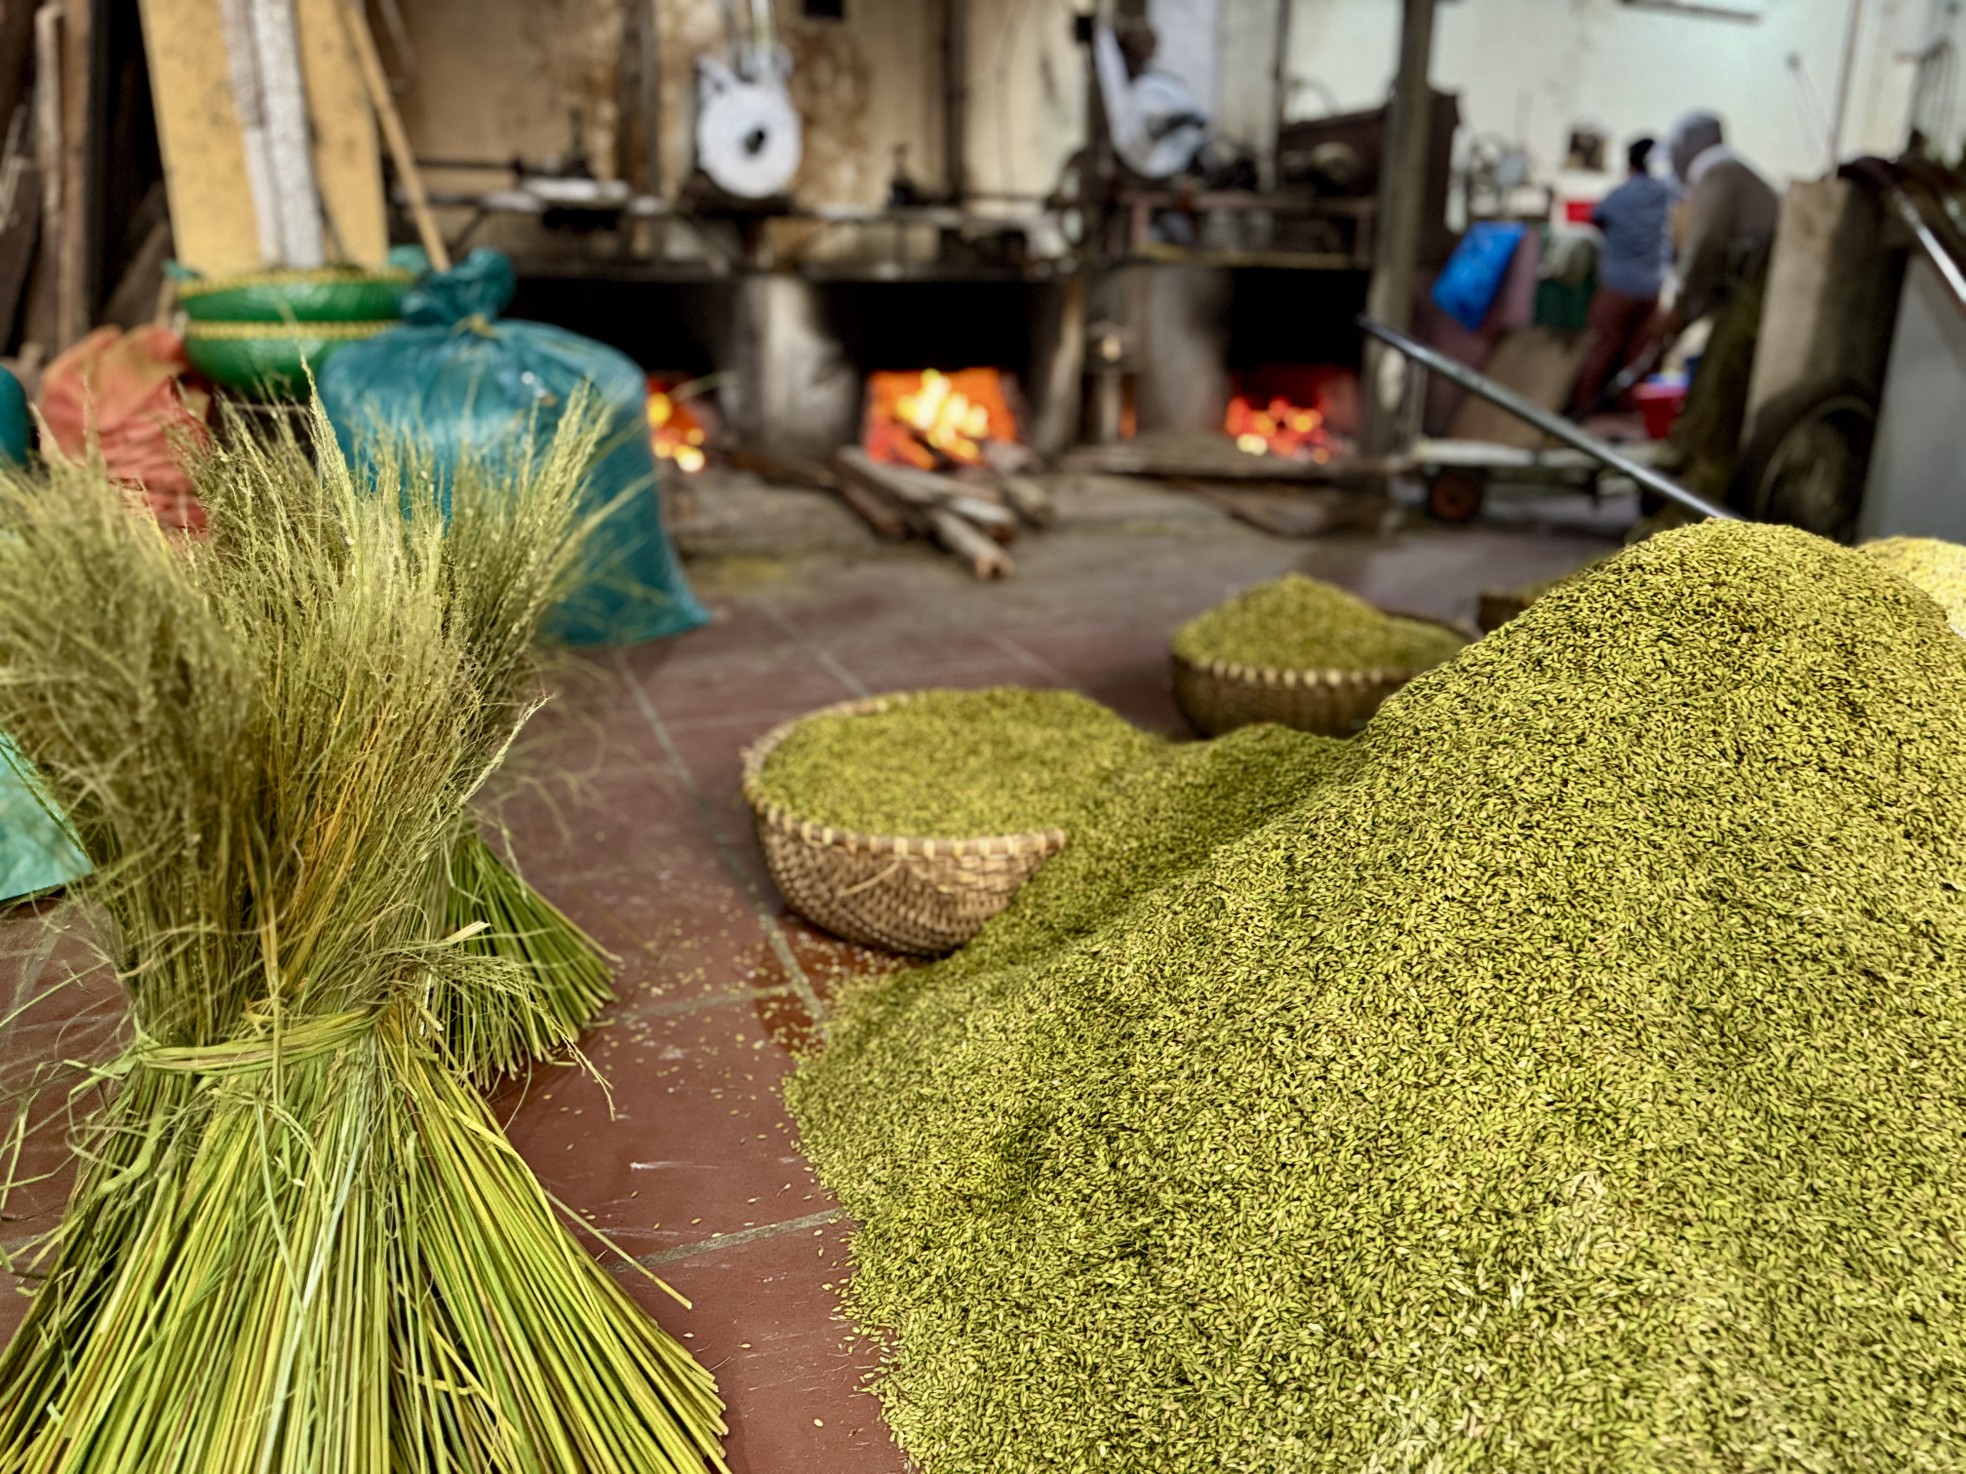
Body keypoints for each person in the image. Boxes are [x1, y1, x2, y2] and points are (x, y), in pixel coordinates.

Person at [1656, 110, 1781, 506]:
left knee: (1721, 385)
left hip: (1760, 285)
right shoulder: (1728, 168)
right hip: (1750, 285)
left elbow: (1707, 243)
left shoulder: (1715, 168)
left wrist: (1679, 306)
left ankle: (1701, 496)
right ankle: (1693, 475)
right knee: (1713, 376)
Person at [1570, 136, 1675, 416]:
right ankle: (1625, 414)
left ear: (1629, 162)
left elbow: (1595, 221)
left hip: (1618, 286)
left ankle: (1583, 411)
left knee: (1602, 348)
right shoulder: (1665, 193)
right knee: (1637, 356)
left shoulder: (1619, 196)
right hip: (1652, 287)